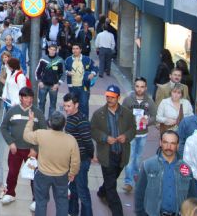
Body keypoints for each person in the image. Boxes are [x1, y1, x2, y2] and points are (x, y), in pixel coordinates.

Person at [23, 111, 80, 216]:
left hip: (42, 174)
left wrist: (30, 121)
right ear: (64, 124)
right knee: (62, 202)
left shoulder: (41, 134)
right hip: (62, 176)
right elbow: (76, 161)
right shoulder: (71, 140)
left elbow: (26, 136)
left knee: (41, 202)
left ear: (49, 123)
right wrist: (72, 173)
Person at [91, 85, 136, 216]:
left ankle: (101, 191)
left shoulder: (127, 113)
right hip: (107, 155)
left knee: (111, 179)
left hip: (121, 155)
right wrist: (105, 138)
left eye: (112, 97)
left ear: (118, 97)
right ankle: (117, 212)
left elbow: (133, 129)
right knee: (112, 187)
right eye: (107, 96)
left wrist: (126, 136)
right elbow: (93, 130)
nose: (109, 99)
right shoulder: (98, 114)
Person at [0, 86, 46, 207]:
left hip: (31, 152)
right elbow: (3, 127)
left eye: (31, 97)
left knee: (34, 176)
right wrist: (10, 142)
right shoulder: (12, 111)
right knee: (12, 173)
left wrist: (35, 149)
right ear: (20, 98)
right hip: (15, 150)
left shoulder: (38, 113)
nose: (29, 100)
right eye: (26, 97)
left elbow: (43, 132)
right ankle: (10, 193)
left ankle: (36, 199)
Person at [134, 130, 197, 216]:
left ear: (177, 146)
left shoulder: (186, 168)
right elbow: (139, 193)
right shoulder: (148, 165)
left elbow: (192, 196)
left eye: (173, 143)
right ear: (160, 143)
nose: (169, 146)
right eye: (165, 142)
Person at [122, 76, 157, 193]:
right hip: (130, 134)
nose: (139, 89)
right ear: (134, 87)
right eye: (137, 86)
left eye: (142, 87)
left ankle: (135, 175)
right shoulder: (128, 100)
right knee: (130, 158)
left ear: (146, 88)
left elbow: (154, 116)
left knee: (138, 158)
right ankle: (128, 182)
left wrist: (148, 121)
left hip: (142, 134)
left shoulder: (149, 101)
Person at [63, 93, 94, 216]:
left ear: (76, 105)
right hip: (73, 161)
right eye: (64, 106)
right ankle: (72, 212)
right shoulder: (70, 117)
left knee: (82, 192)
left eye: (68, 106)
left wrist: (90, 156)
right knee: (73, 189)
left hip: (81, 161)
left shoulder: (81, 120)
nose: (66, 108)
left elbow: (87, 141)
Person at [64, 43, 97, 118]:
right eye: (73, 49)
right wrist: (67, 72)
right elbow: (63, 70)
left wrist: (92, 74)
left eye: (77, 48)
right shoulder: (68, 60)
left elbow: (95, 68)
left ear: (80, 50)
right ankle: (73, 122)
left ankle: (84, 123)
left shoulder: (87, 59)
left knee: (84, 106)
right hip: (72, 88)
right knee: (72, 106)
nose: (74, 50)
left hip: (84, 87)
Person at [34, 42, 64, 117]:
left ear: (56, 51)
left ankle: (51, 122)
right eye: (51, 49)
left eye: (54, 50)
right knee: (41, 103)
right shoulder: (43, 59)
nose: (52, 51)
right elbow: (37, 71)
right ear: (48, 49)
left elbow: (63, 74)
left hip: (53, 87)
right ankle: (40, 121)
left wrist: (58, 84)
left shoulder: (60, 60)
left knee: (53, 105)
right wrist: (39, 81)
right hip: (43, 85)